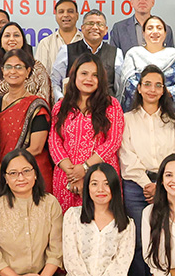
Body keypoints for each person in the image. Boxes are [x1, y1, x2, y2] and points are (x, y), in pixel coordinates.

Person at [118, 65, 175, 276]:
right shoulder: (127, 119)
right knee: (139, 242)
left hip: (169, 185)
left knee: (165, 240)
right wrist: (147, 184)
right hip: (135, 187)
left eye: (158, 85)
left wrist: (160, 184)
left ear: (164, 90)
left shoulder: (174, 120)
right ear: (139, 88)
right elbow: (127, 157)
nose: (152, 89)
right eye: (147, 84)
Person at [49, 55, 125, 210]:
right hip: (66, 178)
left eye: (95, 75)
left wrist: (84, 169)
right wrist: (72, 173)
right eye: (84, 73)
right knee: (68, 222)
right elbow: (54, 141)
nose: (89, 79)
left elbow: (113, 141)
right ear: (74, 75)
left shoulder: (111, 105)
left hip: (100, 177)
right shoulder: (60, 106)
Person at [0, 48, 54, 186]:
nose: (13, 71)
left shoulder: (36, 105)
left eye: (19, 67)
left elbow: (36, 148)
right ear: (2, 71)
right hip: (1, 172)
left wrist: (10, 165)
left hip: (31, 171)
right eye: (8, 67)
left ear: (28, 72)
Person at [119, 15, 175, 106]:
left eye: (159, 28)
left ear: (165, 33)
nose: (155, 32)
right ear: (143, 33)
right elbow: (129, 83)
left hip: (168, 107)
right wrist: (149, 94)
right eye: (150, 28)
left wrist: (163, 92)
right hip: (138, 107)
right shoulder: (133, 54)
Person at [0, 21, 50, 100]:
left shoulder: (36, 67)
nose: (12, 39)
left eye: (16, 35)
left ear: (23, 40)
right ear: (0, 42)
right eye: (7, 35)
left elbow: (43, 97)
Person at [110, 0, 175, 53]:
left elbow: (171, 56)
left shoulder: (166, 29)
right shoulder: (119, 28)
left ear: (152, 2)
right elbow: (113, 56)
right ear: (131, 3)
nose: (142, 2)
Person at [36, 0, 83, 73]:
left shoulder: (86, 41)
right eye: (61, 12)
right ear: (56, 16)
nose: (66, 15)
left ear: (77, 15)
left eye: (70, 11)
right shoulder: (45, 43)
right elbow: (40, 75)